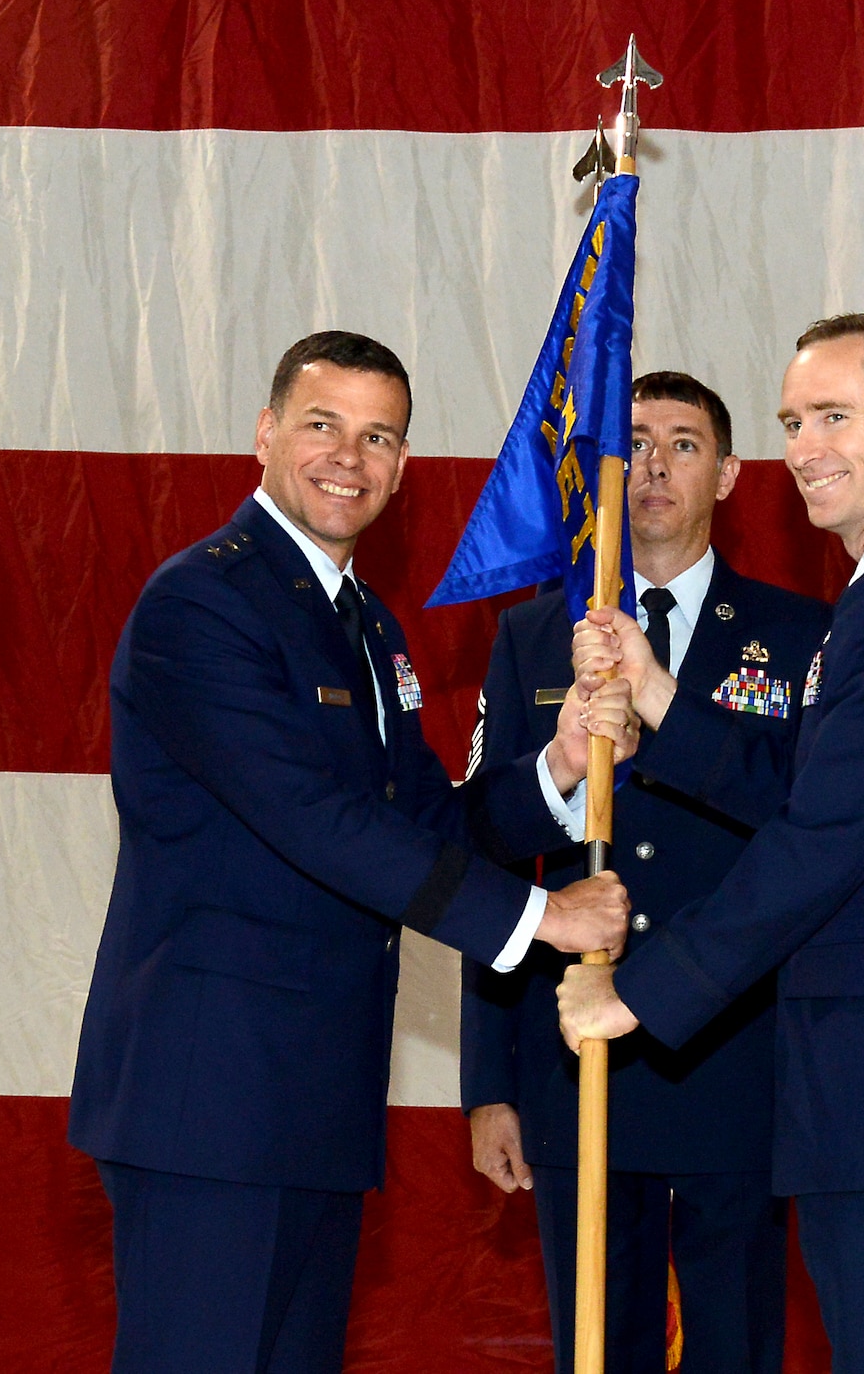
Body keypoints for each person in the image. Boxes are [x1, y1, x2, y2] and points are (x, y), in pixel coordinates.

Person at [69, 331, 634, 1374]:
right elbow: (314, 821)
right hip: (211, 1103)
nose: (348, 457)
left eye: (378, 437)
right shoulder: (201, 603)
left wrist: (555, 767)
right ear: (265, 433)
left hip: (314, 1102)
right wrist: (541, 919)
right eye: (322, 424)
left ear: (403, 465)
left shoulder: (366, 624)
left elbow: (426, 821)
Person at [557, 315, 864, 1373]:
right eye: (791, 422)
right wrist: (657, 695)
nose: (804, 448)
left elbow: (824, 839)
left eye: (834, 417)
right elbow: (819, 785)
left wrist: (638, 992)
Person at [461, 372, 831, 1374]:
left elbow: (814, 830)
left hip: (737, 1056)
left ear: (728, 474)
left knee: (736, 1345)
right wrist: (489, 1082)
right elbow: (487, 857)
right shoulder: (533, 635)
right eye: (634, 444)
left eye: (683, 443)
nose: (656, 465)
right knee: (594, 1348)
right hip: (575, 1057)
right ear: (601, 473)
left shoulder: (800, 635)